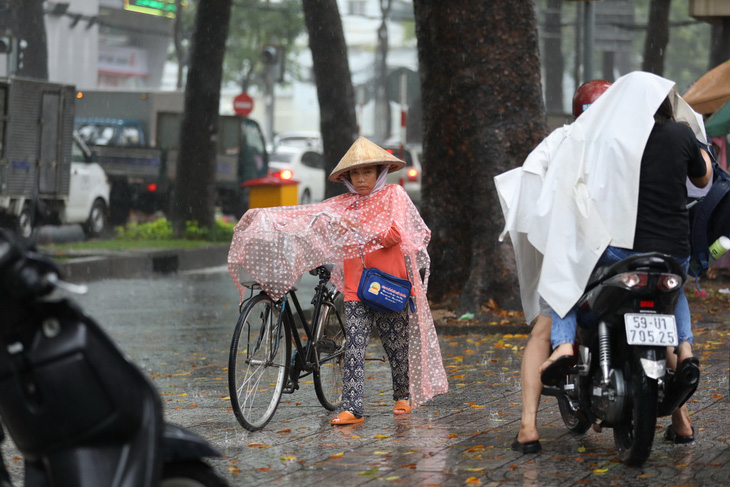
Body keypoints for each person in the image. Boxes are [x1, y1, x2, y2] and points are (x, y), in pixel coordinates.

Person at [227, 136, 449, 427]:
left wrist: (357, 228)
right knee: (355, 347)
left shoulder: (394, 195)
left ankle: (402, 393)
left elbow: (395, 234)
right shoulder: (344, 204)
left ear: (380, 172)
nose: (360, 179)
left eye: (366, 172)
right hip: (356, 288)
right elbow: (310, 218)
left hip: (390, 286)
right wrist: (271, 220)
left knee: (396, 345)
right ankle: (352, 408)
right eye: (355, 173)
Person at [541, 93, 711, 443]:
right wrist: (700, 146)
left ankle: (562, 345)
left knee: (569, 275)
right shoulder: (681, 135)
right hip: (675, 252)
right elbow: (703, 176)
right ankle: (686, 352)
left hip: (622, 250)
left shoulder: (613, 136)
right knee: (673, 290)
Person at [511, 80, 612, 453]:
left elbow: (530, 180)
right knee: (665, 324)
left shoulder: (562, 140)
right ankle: (682, 420)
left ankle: (527, 426)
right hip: (633, 254)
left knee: (543, 331)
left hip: (575, 259)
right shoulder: (632, 142)